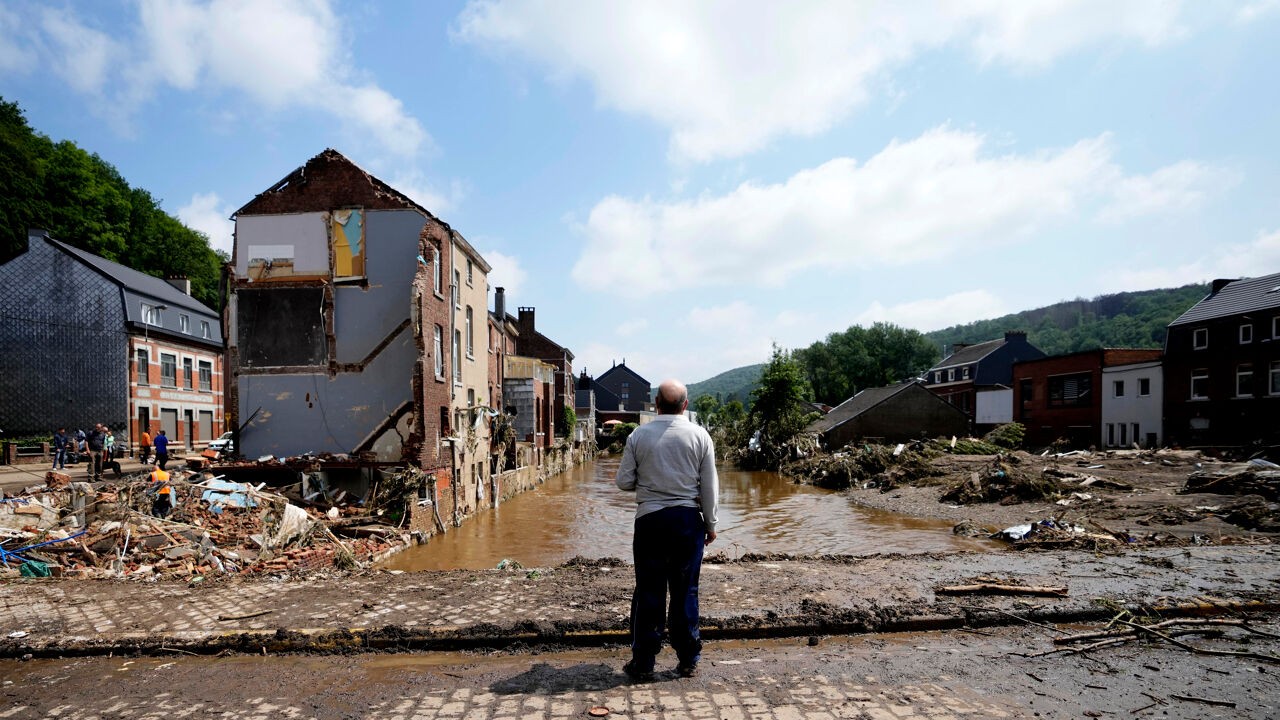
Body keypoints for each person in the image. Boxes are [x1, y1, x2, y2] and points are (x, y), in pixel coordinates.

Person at [615, 378, 719, 682]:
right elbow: (710, 487)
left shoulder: (638, 435)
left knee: (649, 590)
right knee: (686, 590)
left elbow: (623, 481)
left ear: (656, 404)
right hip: (688, 522)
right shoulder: (700, 436)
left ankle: (644, 662)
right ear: (684, 406)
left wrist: (648, 483)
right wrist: (710, 525)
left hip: (650, 521)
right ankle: (688, 659)